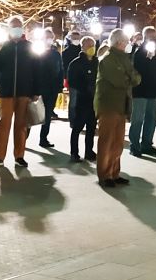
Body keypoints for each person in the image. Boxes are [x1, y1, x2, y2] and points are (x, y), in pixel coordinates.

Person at [0, 16, 39, 168]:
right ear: (9, 29)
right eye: (13, 26)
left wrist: (35, 91)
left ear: (22, 28)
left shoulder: (29, 46)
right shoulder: (3, 46)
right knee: (4, 123)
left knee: (21, 125)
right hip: (7, 91)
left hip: (25, 91)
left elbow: (36, 69)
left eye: (18, 26)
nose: (16, 29)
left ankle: (19, 155)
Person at [95, 28, 140, 187]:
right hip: (109, 104)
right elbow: (120, 80)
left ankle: (114, 172)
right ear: (119, 42)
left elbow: (136, 77)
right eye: (127, 41)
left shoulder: (124, 58)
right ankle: (104, 174)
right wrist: (129, 77)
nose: (128, 44)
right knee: (107, 141)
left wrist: (129, 76)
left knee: (118, 142)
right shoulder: (107, 59)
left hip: (121, 105)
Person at [128, 26, 156, 157]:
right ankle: (134, 145)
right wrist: (148, 59)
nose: (153, 39)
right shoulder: (139, 52)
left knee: (151, 118)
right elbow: (138, 70)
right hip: (141, 90)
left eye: (155, 36)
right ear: (144, 37)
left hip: (153, 91)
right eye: (150, 36)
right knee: (137, 118)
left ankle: (147, 143)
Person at [67, 35, 98, 163]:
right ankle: (74, 152)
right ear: (83, 47)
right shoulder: (76, 63)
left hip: (94, 100)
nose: (92, 48)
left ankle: (89, 151)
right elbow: (72, 82)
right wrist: (85, 88)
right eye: (89, 45)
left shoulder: (97, 62)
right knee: (78, 128)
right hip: (82, 100)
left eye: (93, 45)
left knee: (91, 127)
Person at [36, 28, 64, 148]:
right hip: (39, 88)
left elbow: (60, 70)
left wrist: (59, 86)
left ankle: (43, 138)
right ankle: (23, 139)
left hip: (52, 88)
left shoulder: (56, 54)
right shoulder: (36, 52)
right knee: (32, 114)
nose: (48, 39)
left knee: (47, 115)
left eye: (50, 37)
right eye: (46, 37)